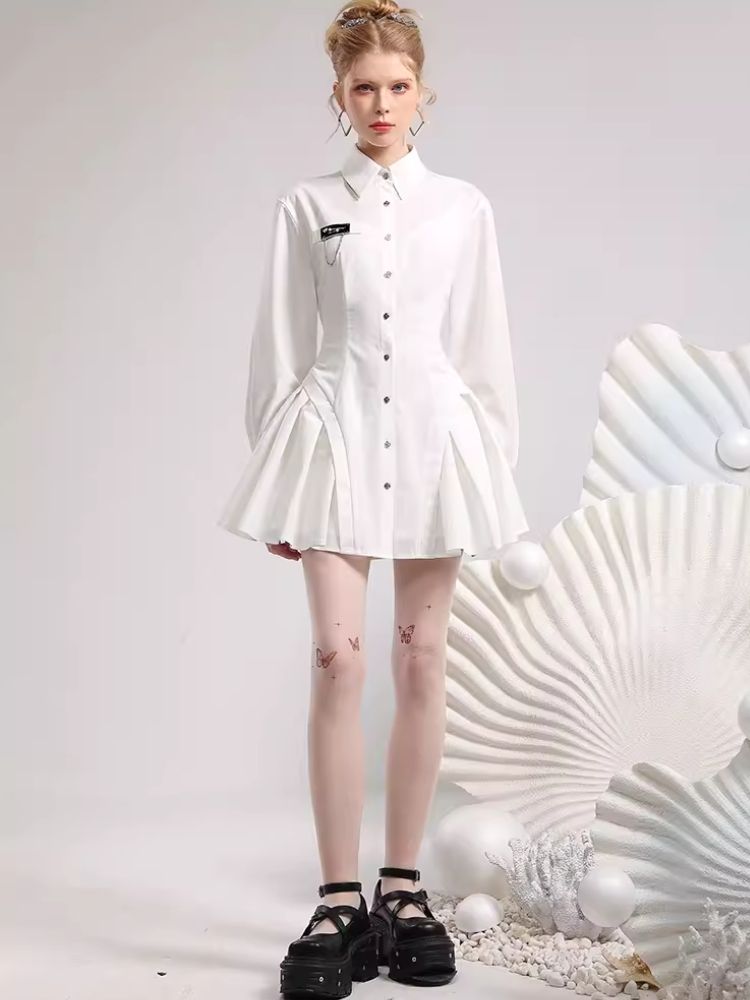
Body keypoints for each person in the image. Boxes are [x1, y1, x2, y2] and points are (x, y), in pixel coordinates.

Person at [217, 1, 529, 994]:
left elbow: (482, 345)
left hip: (438, 447)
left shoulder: (463, 208)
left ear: (422, 92)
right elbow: (280, 344)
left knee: (421, 658)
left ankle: (403, 889)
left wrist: (492, 465)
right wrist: (278, 476)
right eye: (364, 87)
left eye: (398, 86)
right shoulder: (307, 206)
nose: (382, 103)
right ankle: (338, 899)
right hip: (335, 443)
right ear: (339, 97)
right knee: (338, 660)